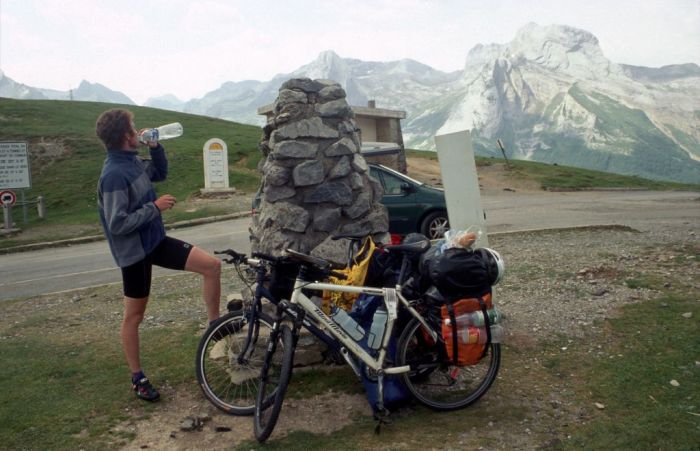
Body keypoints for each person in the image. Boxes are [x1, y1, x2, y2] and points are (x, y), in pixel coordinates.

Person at [95, 108, 221, 402]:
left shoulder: (131, 161)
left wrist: (155, 146)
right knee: (134, 317)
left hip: (155, 240)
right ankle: (138, 378)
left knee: (212, 266)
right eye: (134, 127)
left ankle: (215, 326)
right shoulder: (113, 174)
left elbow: (160, 172)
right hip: (134, 254)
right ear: (126, 136)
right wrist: (156, 207)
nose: (138, 130)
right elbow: (118, 223)